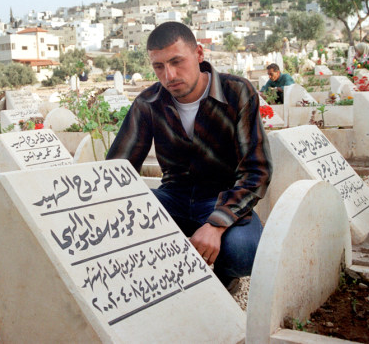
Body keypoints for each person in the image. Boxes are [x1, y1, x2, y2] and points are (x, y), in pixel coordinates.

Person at [106, 22, 271, 293]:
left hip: (222, 196)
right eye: (159, 66)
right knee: (119, 224)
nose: (169, 75)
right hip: (173, 198)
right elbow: (117, 170)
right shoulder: (148, 103)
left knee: (245, 253)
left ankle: (223, 276)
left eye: (176, 61)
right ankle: (158, 283)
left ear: (199, 54)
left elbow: (257, 170)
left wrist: (217, 224)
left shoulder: (237, 92)